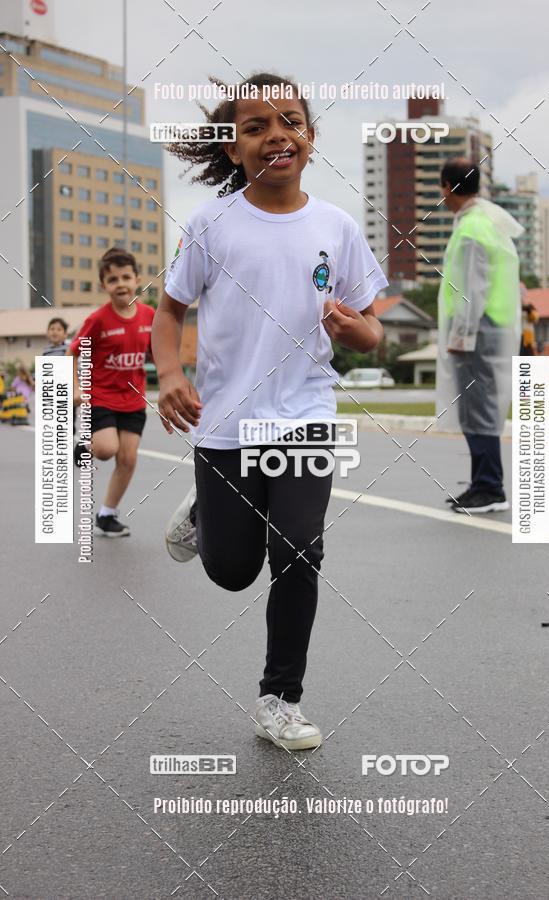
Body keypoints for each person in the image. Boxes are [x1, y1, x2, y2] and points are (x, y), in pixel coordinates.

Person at [152, 72, 388, 751]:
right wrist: (170, 374)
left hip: (305, 414)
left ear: (310, 136)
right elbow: (169, 312)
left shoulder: (337, 226)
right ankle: (205, 512)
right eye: (255, 127)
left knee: (297, 548)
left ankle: (280, 698)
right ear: (233, 149)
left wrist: (358, 331)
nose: (276, 135)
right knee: (231, 572)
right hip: (227, 424)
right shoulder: (211, 224)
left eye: (290, 121)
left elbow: (372, 328)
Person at [437, 157, 522, 514]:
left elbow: (471, 288)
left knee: (478, 409)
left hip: (478, 331)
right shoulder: (487, 221)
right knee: (479, 407)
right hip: (490, 328)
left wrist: (462, 336)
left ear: (446, 188)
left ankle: (489, 488)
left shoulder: (472, 229)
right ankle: (482, 483)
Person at [67, 247, 154, 537]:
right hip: (101, 396)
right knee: (106, 450)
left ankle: (106, 515)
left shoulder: (149, 316)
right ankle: (86, 445)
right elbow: (72, 352)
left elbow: (160, 353)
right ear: (103, 285)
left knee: (128, 459)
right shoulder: (98, 320)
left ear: (137, 279)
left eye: (126, 277)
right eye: (113, 279)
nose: (121, 284)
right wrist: (76, 387)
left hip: (134, 399)